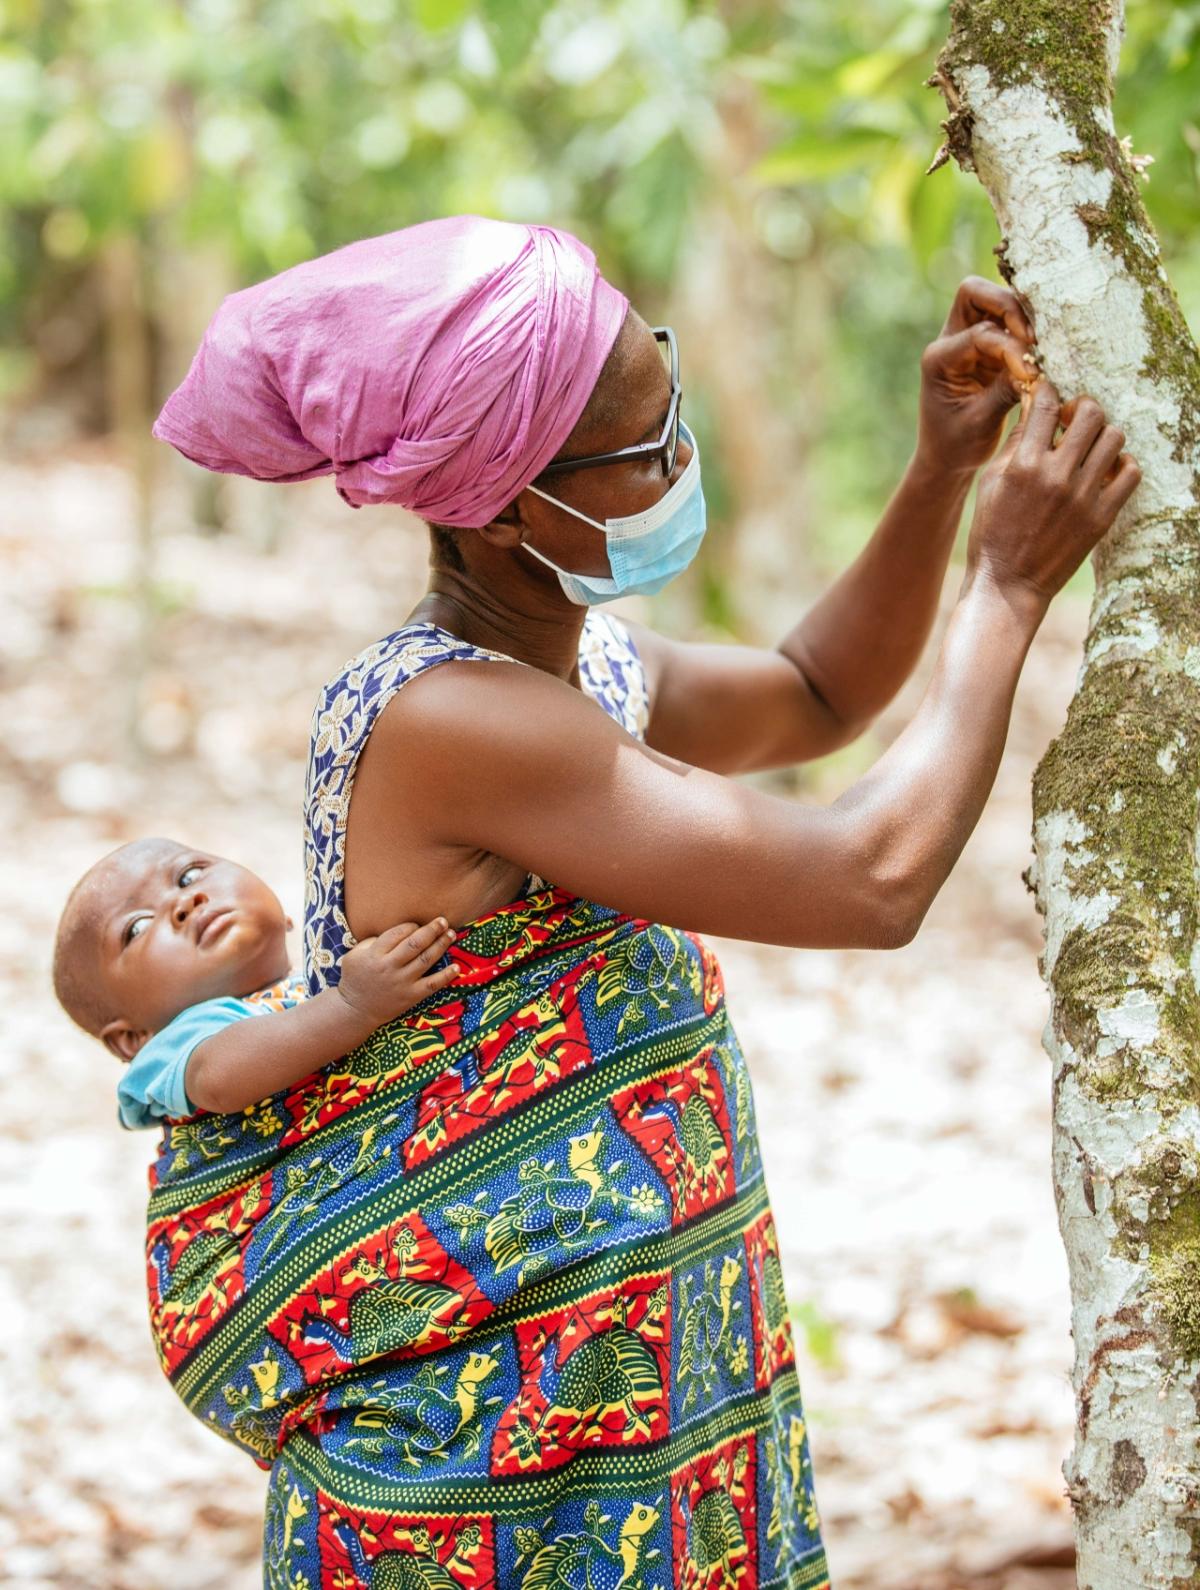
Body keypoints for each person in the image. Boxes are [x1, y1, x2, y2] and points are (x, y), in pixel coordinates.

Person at [145, 216, 1139, 1589]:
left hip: (609, 1412)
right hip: (491, 1461)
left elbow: (813, 692)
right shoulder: (454, 716)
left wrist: (938, 473)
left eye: (668, 404)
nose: (681, 463)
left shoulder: (567, 660)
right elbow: (871, 876)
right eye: (642, 451)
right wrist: (1010, 584)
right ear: (501, 507)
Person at [52, 836, 459, 1126]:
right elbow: (220, 1079)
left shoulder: (316, 978)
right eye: (137, 928)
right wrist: (353, 1005)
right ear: (134, 1040)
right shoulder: (178, 1044)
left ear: (283, 918)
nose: (183, 903)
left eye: (190, 876)